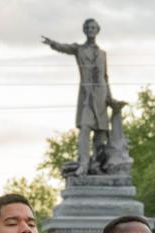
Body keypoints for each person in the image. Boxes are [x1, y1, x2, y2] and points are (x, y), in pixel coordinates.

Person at [42, 18, 118, 175]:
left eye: (93, 27)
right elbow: (65, 47)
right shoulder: (79, 49)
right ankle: (83, 163)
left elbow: (105, 76)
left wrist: (110, 99)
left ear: (97, 30)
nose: (90, 30)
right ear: (85, 30)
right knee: (84, 129)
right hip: (86, 97)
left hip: (101, 96)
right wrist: (52, 44)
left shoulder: (103, 54)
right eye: (88, 27)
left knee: (100, 134)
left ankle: (97, 164)